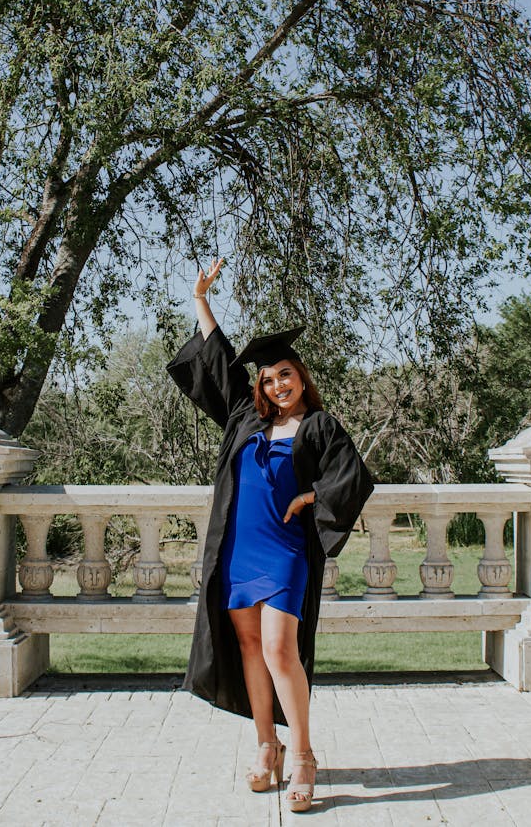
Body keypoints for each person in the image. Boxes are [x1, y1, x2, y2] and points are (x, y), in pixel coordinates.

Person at [166, 258, 374, 812]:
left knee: (282, 650)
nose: (277, 384)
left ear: (302, 377)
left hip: (284, 553)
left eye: (286, 374)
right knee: (252, 648)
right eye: (269, 377)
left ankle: (303, 754)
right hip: (238, 550)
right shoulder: (246, 418)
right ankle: (267, 745)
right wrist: (201, 302)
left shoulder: (318, 427)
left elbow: (352, 476)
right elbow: (216, 365)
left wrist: (312, 497)